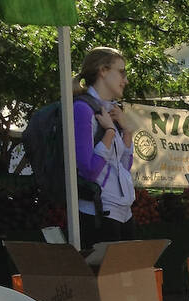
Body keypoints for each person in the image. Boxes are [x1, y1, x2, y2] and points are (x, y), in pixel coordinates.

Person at [72, 47, 135, 249]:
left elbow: (124, 166)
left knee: (130, 278)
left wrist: (126, 131)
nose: (125, 80)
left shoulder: (111, 110)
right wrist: (109, 132)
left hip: (123, 212)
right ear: (103, 71)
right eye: (121, 72)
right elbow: (89, 171)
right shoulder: (82, 109)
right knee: (108, 279)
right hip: (98, 214)